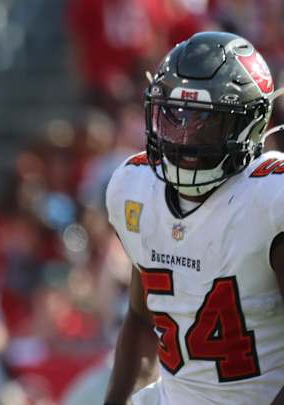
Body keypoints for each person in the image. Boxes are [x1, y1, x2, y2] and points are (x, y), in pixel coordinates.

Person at [103, 31, 284, 404]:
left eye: (206, 121)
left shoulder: (269, 200)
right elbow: (142, 317)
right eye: (174, 115)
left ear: (249, 126)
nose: (185, 137)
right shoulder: (133, 188)